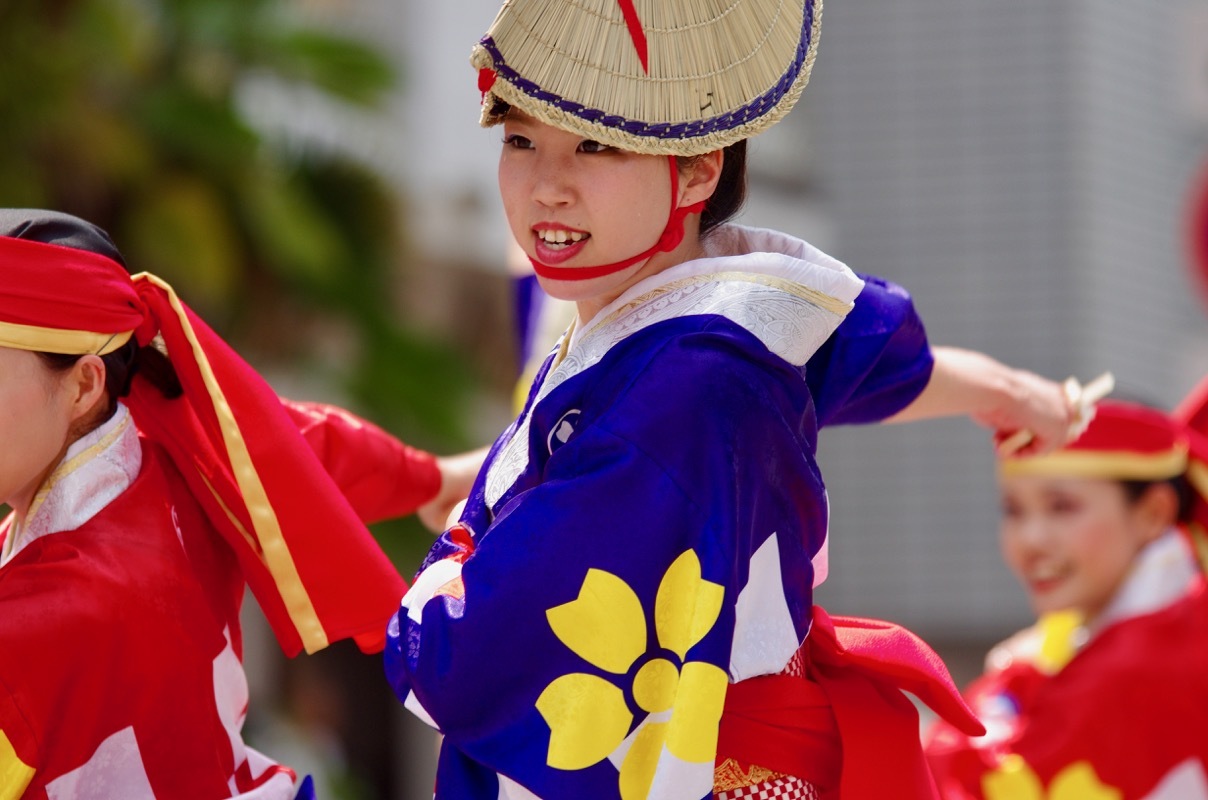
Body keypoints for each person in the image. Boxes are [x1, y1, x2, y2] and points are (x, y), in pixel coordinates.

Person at [385, 2, 1077, 798]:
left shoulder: (685, 382)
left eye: (596, 144)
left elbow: (461, 665)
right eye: (519, 141)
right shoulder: (743, 312)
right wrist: (1009, 391)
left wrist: (455, 551)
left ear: (698, 169)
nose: (547, 187)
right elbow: (866, 358)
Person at [0, 209, 475, 799]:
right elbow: (301, 447)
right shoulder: (179, 460)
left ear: (84, 384)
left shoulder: (41, 612)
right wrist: (434, 479)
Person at [924, 393, 1208, 800]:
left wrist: (1012, 679)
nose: (1030, 540)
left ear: (1153, 513)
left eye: (1062, 507)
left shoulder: (1137, 669)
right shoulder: (1177, 622)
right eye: (1013, 510)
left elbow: (957, 780)